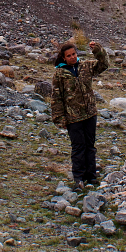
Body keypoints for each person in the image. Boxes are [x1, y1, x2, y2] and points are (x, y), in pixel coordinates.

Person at [51, 39, 109, 188]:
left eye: (74, 54)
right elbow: (57, 97)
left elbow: (104, 64)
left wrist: (97, 50)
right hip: (73, 117)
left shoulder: (86, 66)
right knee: (78, 147)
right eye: (69, 55)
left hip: (90, 114)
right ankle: (78, 178)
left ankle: (91, 176)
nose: (72, 57)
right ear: (63, 58)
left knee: (90, 146)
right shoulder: (59, 74)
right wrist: (59, 118)